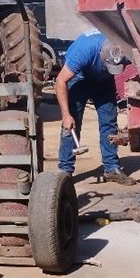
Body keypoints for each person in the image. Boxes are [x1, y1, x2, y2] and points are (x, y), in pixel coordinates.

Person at [55, 30, 135, 184]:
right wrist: (65, 114)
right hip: (79, 79)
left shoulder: (122, 48)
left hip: (103, 82)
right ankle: (65, 171)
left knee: (109, 122)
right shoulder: (83, 52)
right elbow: (60, 81)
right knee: (71, 126)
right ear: (102, 56)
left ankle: (111, 168)